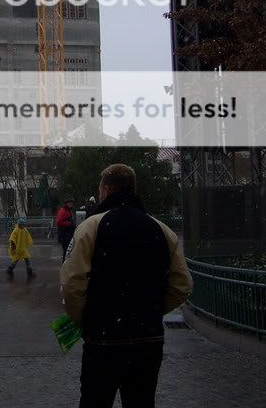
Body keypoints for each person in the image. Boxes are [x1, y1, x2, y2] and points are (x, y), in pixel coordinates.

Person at [60, 163, 193, 408]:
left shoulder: (91, 227)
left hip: (103, 340)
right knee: (142, 401)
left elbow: (71, 283)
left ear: (107, 190)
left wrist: (85, 318)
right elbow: (182, 284)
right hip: (148, 339)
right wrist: (149, 309)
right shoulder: (162, 229)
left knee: (94, 401)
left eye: (100, 190)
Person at [55, 197, 75, 262]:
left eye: (72, 203)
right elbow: (59, 222)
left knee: (69, 251)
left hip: (69, 234)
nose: (71, 204)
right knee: (67, 251)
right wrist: (69, 224)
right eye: (70, 203)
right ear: (66, 204)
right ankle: (65, 265)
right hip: (65, 234)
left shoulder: (69, 211)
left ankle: (67, 265)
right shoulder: (62, 211)